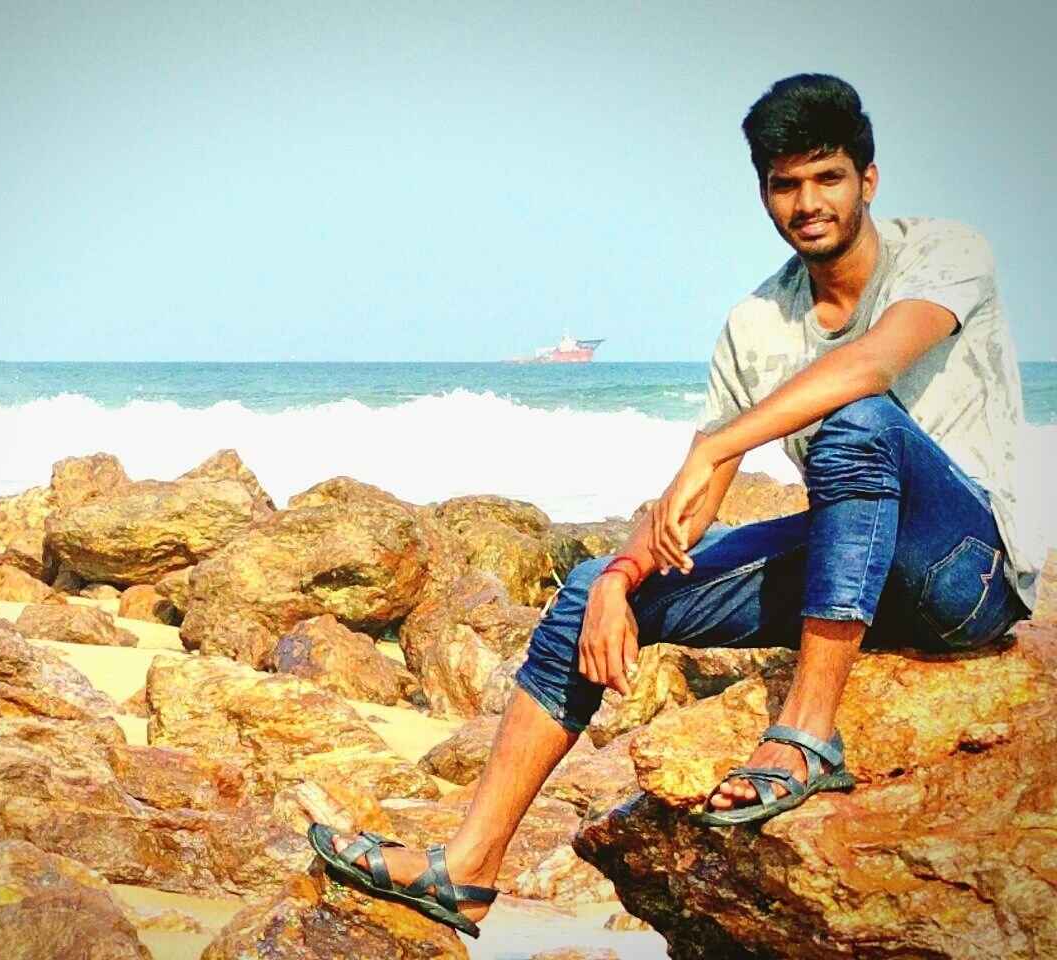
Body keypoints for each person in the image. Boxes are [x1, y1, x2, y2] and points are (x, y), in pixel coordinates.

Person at [309, 73, 1039, 939]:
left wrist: (723, 441)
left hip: (966, 570)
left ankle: (806, 735)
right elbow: (689, 510)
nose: (808, 202)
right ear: (764, 192)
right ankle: (467, 866)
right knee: (584, 592)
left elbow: (872, 365)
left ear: (867, 180)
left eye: (828, 177)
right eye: (785, 182)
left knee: (857, 420)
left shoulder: (946, 251)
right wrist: (622, 573)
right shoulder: (755, 325)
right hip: (855, 567)